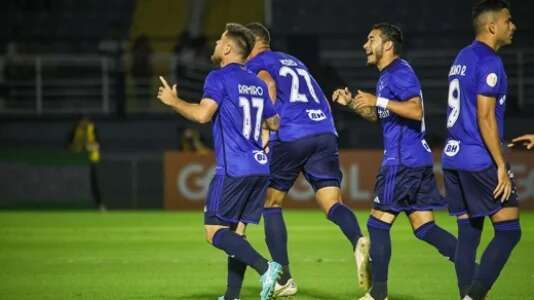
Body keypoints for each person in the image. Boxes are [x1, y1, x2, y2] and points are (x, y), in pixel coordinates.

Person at [332, 23, 458, 300]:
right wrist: (354, 104)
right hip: (416, 160)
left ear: (387, 45)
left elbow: (415, 110)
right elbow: (381, 116)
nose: (365, 45)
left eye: (371, 39)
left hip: (401, 162)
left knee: (377, 226)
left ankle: (378, 295)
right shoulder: (387, 76)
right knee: (425, 228)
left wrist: (378, 100)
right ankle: (472, 270)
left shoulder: (399, 71)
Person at [156, 23, 282, 300]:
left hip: (234, 168)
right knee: (237, 233)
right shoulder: (258, 83)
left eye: (218, 40)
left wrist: (174, 101)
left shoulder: (218, 77)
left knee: (214, 232)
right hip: (259, 167)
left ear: (227, 49)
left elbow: (203, 115)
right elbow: (274, 121)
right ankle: (231, 295)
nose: (214, 44)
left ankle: (266, 267)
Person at [244, 22, 369, 298]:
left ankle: (284, 279)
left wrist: (265, 131)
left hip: (290, 132)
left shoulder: (257, 63)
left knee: (270, 203)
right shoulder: (294, 61)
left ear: (253, 44)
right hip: (324, 132)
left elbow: (267, 83)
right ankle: (358, 239)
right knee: (332, 203)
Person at [441, 1, 520, 299]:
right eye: (508, 21)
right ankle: (473, 297)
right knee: (510, 231)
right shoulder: (490, 62)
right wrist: (500, 163)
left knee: (469, 233)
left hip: (453, 157)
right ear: (492, 26)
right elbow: (484, 116)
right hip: (479, 159)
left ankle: (465, 293)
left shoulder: (462, 57)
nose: (512, 26)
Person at [69, 116, 105, 211]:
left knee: (94, 183)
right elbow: (69, 145)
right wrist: (78, 148)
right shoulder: (75, 128)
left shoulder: (92, 128)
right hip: (77, 162)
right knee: (75, 184)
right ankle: (75, 205)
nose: (83, 123)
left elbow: (98, 144)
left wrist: (88, 147)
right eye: (82, 121)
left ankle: (99, 205)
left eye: (85, 121)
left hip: (91, 160)